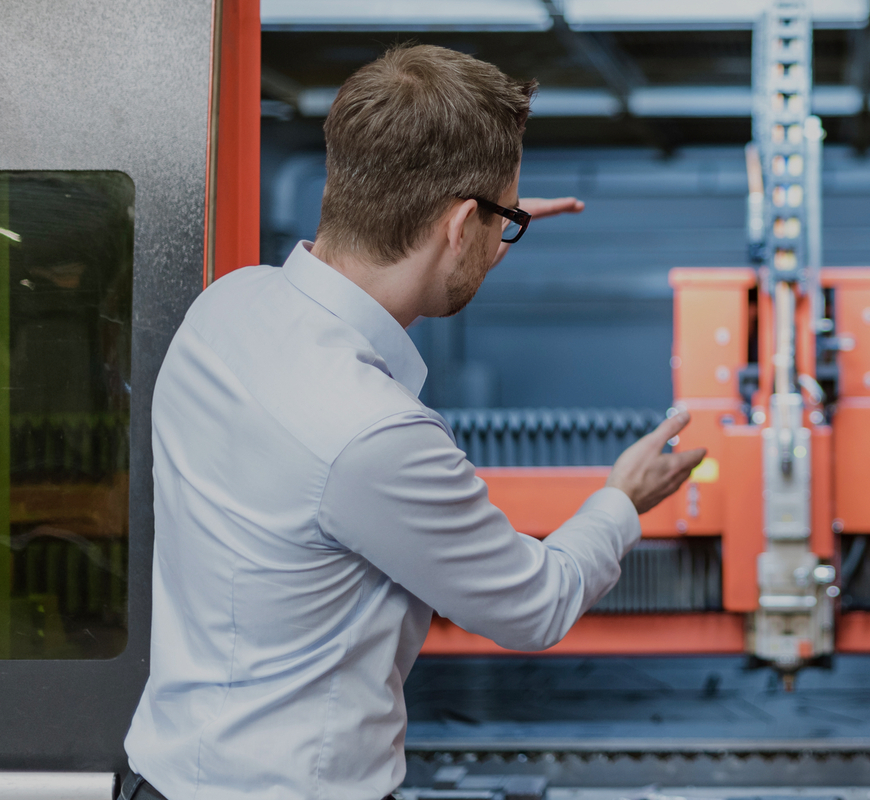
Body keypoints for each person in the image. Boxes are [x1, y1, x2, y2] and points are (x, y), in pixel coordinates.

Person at [120, 45, 705, 800]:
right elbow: (536, 604)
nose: (505, 236)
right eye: (504, 221)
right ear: (461, 226)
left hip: (157, 779)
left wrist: (480, 227)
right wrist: (624, 498)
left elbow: (370, 299)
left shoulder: (226, 306)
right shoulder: (376, 435)